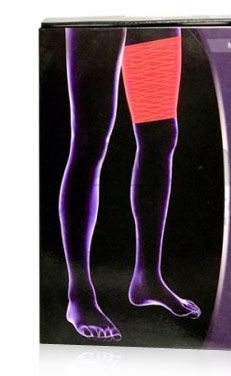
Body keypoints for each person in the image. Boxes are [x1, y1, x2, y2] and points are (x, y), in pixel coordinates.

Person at [59, 27, 201, 340]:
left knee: (160, 136)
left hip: (151, 9)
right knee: (89, 139)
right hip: (95, 9)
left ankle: (147, 277)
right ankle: (79, 293)